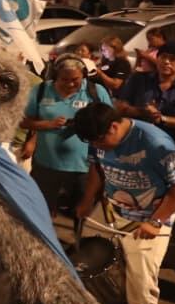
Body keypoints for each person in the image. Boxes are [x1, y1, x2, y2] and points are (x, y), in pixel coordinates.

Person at [73, 102, 175, 304]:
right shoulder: (98, 138)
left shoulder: (155, 143)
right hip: (112, 212)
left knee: (141, 285)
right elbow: (97, 169)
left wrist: (155, 221)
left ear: (114, 126)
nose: (98, 146)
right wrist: (87, 200)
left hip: (150, 220)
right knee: (90, 272)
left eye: (101, 140)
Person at [114, 40, 175, 274]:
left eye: (174, 59)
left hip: (170, 156)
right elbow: (121, 106)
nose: (167, 62)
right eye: (164, 56)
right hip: (135, 154)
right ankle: (129, 248)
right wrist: (141, 112)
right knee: (134, 201)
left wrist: (164, 119)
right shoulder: (139, 80)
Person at [20, 56, 112, 217]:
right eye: (64, 79)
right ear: (56, 75)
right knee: (40, 211)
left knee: (79, 214)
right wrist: (46, 125)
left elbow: (110, 124)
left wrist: (84, 126)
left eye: (75, 79)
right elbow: (23, 121)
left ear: (83, 74)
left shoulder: (96, 92)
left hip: (84, 168)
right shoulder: (41, 90)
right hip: (46, 166)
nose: (70, 84)